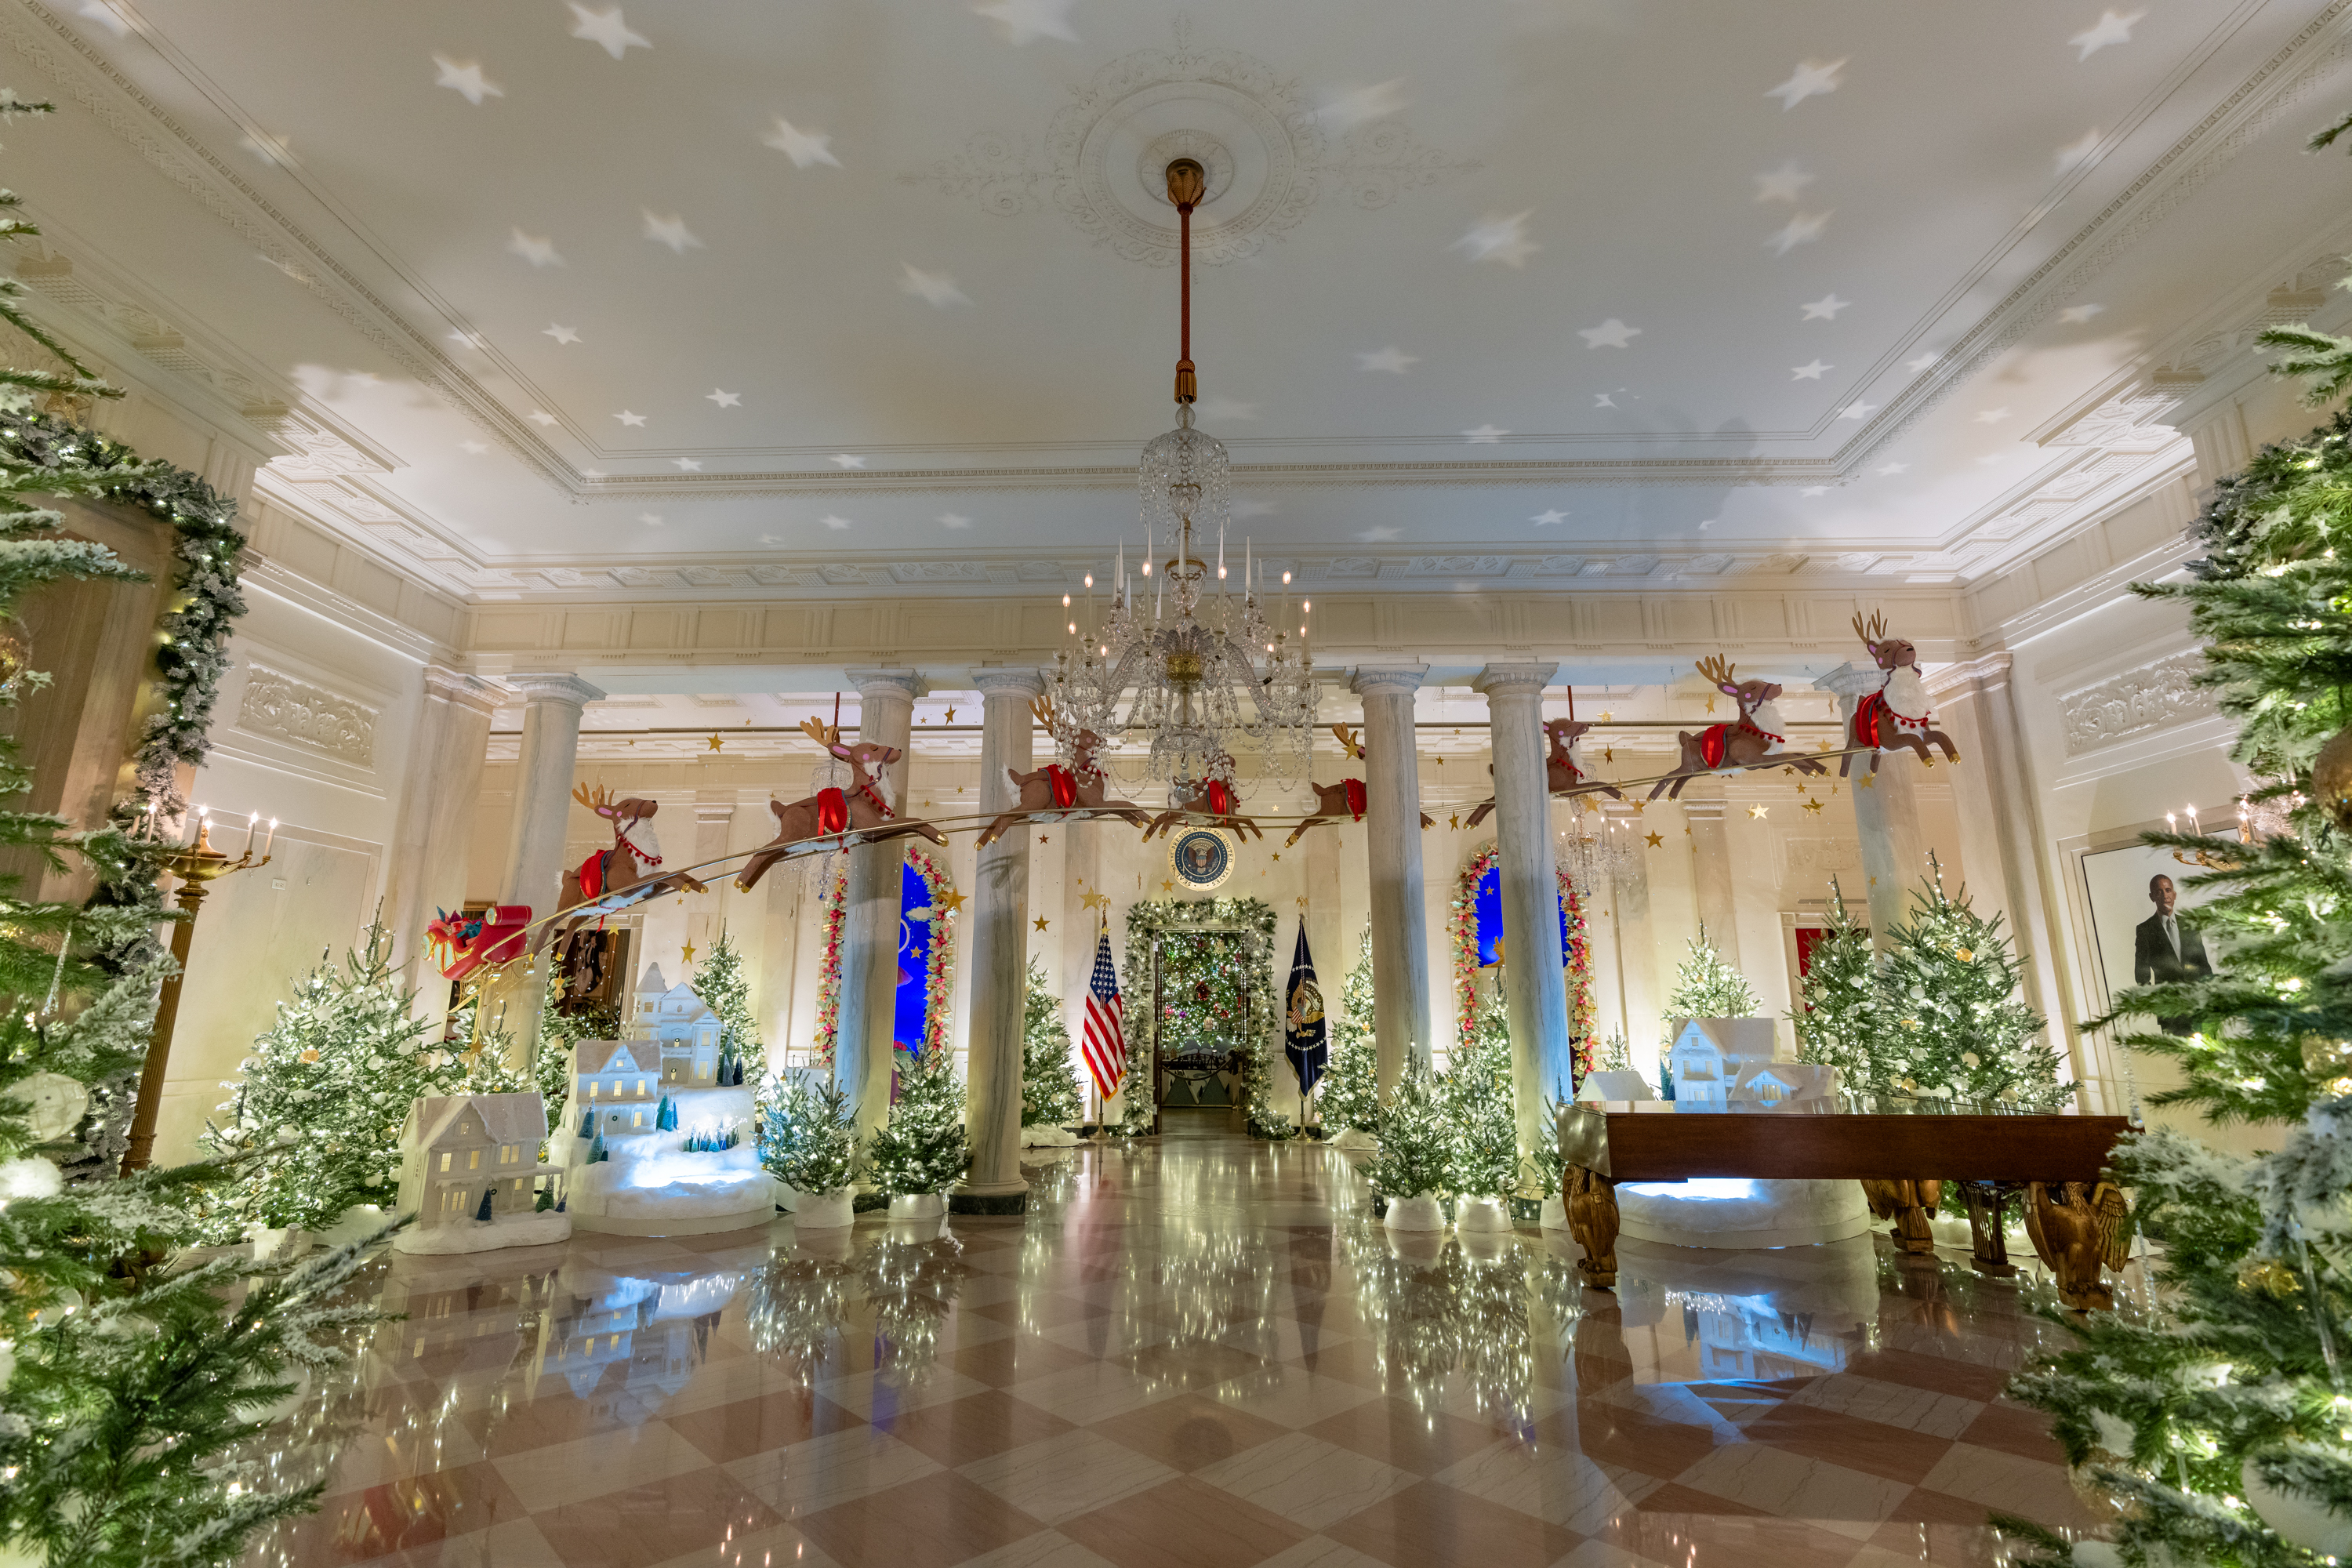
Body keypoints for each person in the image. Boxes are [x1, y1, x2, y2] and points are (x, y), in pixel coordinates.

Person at [2133, 873, 2212, 1036]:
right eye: (2159, 892)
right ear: (2152, 896)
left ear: (2174, 895)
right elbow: (2142, 974)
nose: (2165, 896)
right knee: (2182, 1057)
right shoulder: (2145, 930)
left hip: (2200, 1007)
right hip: (2171, 1013)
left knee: (2211, 1054)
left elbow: (2203, 964)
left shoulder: (2191, 925)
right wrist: (2158, 1004)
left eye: (2168, 890)